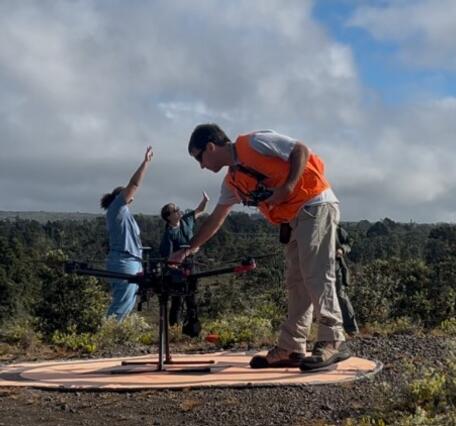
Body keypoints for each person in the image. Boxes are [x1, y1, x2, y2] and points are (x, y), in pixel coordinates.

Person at [169, 124, 350, 370]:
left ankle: (333, 339)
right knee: (297, 282)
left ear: (210, 147)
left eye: (199, 157)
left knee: (316, 273)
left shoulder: (255, 142)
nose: (201, 165)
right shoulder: (231, 183)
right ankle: (291, 347)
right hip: (293, 218)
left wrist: (287, 186)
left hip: (314, 203)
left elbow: (300, 150)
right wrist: (188, 248)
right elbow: (216, 218)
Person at [100, 146, 153, 321]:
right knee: (121, 304)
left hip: (133, 261)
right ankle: (107, 335)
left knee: (128, 302)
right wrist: (145, 163)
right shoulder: (117, 209)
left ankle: (116, 334)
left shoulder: (124, 213)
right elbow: (134, 184)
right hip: (124, 260)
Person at [159, 192, 210, 337]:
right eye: (175, 210)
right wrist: (186, 251)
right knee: (177, 299)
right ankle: (174, 331)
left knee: (192, 298)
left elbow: (200, 210)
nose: (179, 210)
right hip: (178, 270)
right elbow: (168, 258)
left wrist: (205, 200)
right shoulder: (168, 234)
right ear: (168, 216)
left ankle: (193, 331)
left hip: (191, 265)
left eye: (177, 208)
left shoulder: (186, 220)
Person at [335, 226, 359, 336]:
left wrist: (342, 249)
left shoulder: (337, 229)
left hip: (335, 267)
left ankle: (351, 329)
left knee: (341, 296)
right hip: (315, 268)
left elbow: (349, 242)